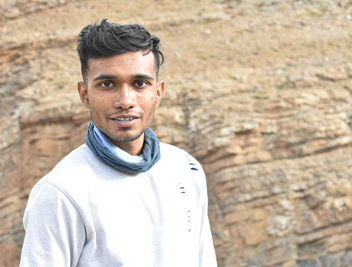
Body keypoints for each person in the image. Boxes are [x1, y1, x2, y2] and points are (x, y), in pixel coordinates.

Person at [20, 19, 217, 267]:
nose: (125, 100)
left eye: (139, 83)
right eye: (107, 84)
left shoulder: (185, 168)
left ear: (158, 92)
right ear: (84, 94)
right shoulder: (60, 192)